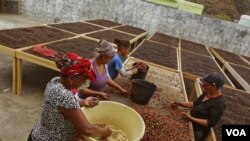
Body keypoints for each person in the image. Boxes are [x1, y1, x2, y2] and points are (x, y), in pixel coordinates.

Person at [27, 53, 111, 141]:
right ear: (71, 78)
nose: (83, 83)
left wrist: (82, 102)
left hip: (39, 133)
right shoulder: (65, 96)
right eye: (83, 80)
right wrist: (105, 132)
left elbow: (60, 106)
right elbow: (87, 129)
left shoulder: (55, 81)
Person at [171, 72, 225, 141]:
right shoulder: (207, 92)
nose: (203, 86)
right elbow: (195, 103)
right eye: (203, 84)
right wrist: (179, 103)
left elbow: (210, 123)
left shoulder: (219, 103)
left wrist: (191, 118)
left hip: (197, 131)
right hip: (189, 121)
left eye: (206, 85)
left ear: (214, 86)